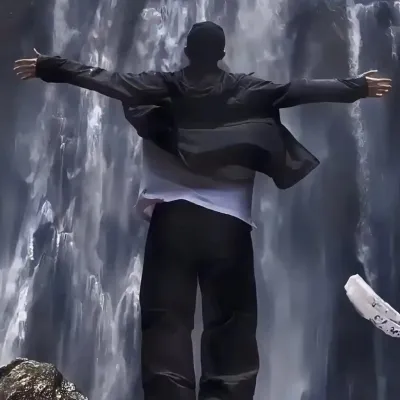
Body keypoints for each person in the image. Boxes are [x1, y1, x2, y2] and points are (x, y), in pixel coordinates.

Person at [14, 21, 391, 400]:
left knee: (166, 321)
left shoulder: (162, 86)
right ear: (222, 54)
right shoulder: (246, 89)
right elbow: (295, 90)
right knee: (232, 324)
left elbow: (107, 80)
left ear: (186, 51)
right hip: (229, 227)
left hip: (172, 223)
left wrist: (51, 67)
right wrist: (357, 87)